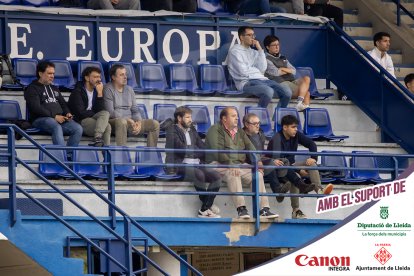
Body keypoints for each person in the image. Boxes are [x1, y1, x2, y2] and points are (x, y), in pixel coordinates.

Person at [205, 107, 279, 219]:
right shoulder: (214, 130)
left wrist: (257, 162)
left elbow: (250, 147)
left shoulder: (239, 131)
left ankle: (264, 209)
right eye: (233, 116)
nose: (237, 118)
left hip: (238, 164)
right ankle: (241, 209)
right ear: (224, 118)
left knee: (257, 174)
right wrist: (231, 164)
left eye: (237, 116)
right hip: (216, 163)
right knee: (233, 173)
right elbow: (217, 152)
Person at [242, 113, 317, 219]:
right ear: (246, 124)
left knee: (282, 163)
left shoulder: (260, 133)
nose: (257, 125)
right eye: (254, 123)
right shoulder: (241, 135)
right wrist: (269, 160)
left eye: (258, 123)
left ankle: (304, 187)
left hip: (264, 163)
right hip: (248, 164)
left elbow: (261, 152)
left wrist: (268, 160)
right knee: (274, 163)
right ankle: (282, 190)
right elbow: (247, 155)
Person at [267, 115, 334, 218]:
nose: (296, 130)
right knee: (296, 177)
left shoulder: (296, 135)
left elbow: (311, 144)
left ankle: (319, 191)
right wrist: (299, 170)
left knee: (312, 164)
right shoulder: (276, 139)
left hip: (292, 166)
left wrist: (313, 158)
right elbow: (280, 163)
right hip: (280, 171)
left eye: (296, 127)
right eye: (293, 127)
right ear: (285, 127)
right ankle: (296, 211)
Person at [165, 106, 222, 218]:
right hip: (179, 165)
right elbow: (181, 150)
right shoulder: (171, 130)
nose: (190, 119)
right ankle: (208, 205)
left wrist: (192, 149)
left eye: (190, 117)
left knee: (217, 177)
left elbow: (203, 148)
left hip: (196, 164)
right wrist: (194, 149)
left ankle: (205, 207)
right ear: (179, 118)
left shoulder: (193, 130)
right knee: (199, 174)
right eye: (187, 117)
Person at [227, 26, 292, 109]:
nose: (252, 37)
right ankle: (258, 115)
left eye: (253, 35)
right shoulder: (235, 51)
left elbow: (262, 69)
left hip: (262, 79)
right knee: (268, 91)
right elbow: (243, 72)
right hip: (246, 82)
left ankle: (278, 118)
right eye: (249, 35)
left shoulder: (254, 52)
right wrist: (255, 71)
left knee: (287, 92)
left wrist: (260, 49)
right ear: (241, 37)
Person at [25, 61, 83, 151]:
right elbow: (35, 108)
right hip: (39, 119)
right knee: (55, 125)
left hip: (58, 119)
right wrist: (54, 116)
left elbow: (63, 104)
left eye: (53, 73)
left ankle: (69, 156)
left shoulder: (54, 88)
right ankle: (61, 158)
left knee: (78, 128)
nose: (52, 76)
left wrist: (67, 113)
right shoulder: (32, 88)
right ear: (40, 73)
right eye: (49, 73)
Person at [103, 64, 159, 147]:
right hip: (115, 122)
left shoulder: (129, 89)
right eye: (121, 75)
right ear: (113, 77)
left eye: (125, 74)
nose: (125, 77)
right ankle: (122, 156)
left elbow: (135, 110)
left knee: (154, 124)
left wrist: (139, 123)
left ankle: (150, 154)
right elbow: (110, 112)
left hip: (131, 123)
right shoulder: (107, 88)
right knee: (121, 122)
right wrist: (127, 120)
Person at [263, 35, 311, 111]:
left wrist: (282, 69)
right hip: (281, 83)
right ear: (268, 47)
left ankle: (300, 105)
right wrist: (286, 70)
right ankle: (300, 105)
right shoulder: (266, 59)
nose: (277, 47)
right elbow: (276, 73)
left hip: (291, 81)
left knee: (307, 78)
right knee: (306, 93)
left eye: (278, 45)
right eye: (274, 45)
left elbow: (294, 71)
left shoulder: (283, 57)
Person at [68, 67, 111, 147]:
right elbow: (80, 113)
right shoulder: (77, 92)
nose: (98, 80)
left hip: (92, 119)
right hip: (81, 121)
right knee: (106, 126)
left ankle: (98, 139)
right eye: (95, 77)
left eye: (99, 77)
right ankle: (104, 151)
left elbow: (101, 110)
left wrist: (100, 94)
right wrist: (94, 114)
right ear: (87, 78)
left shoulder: (97, 91)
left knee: (106, 115)